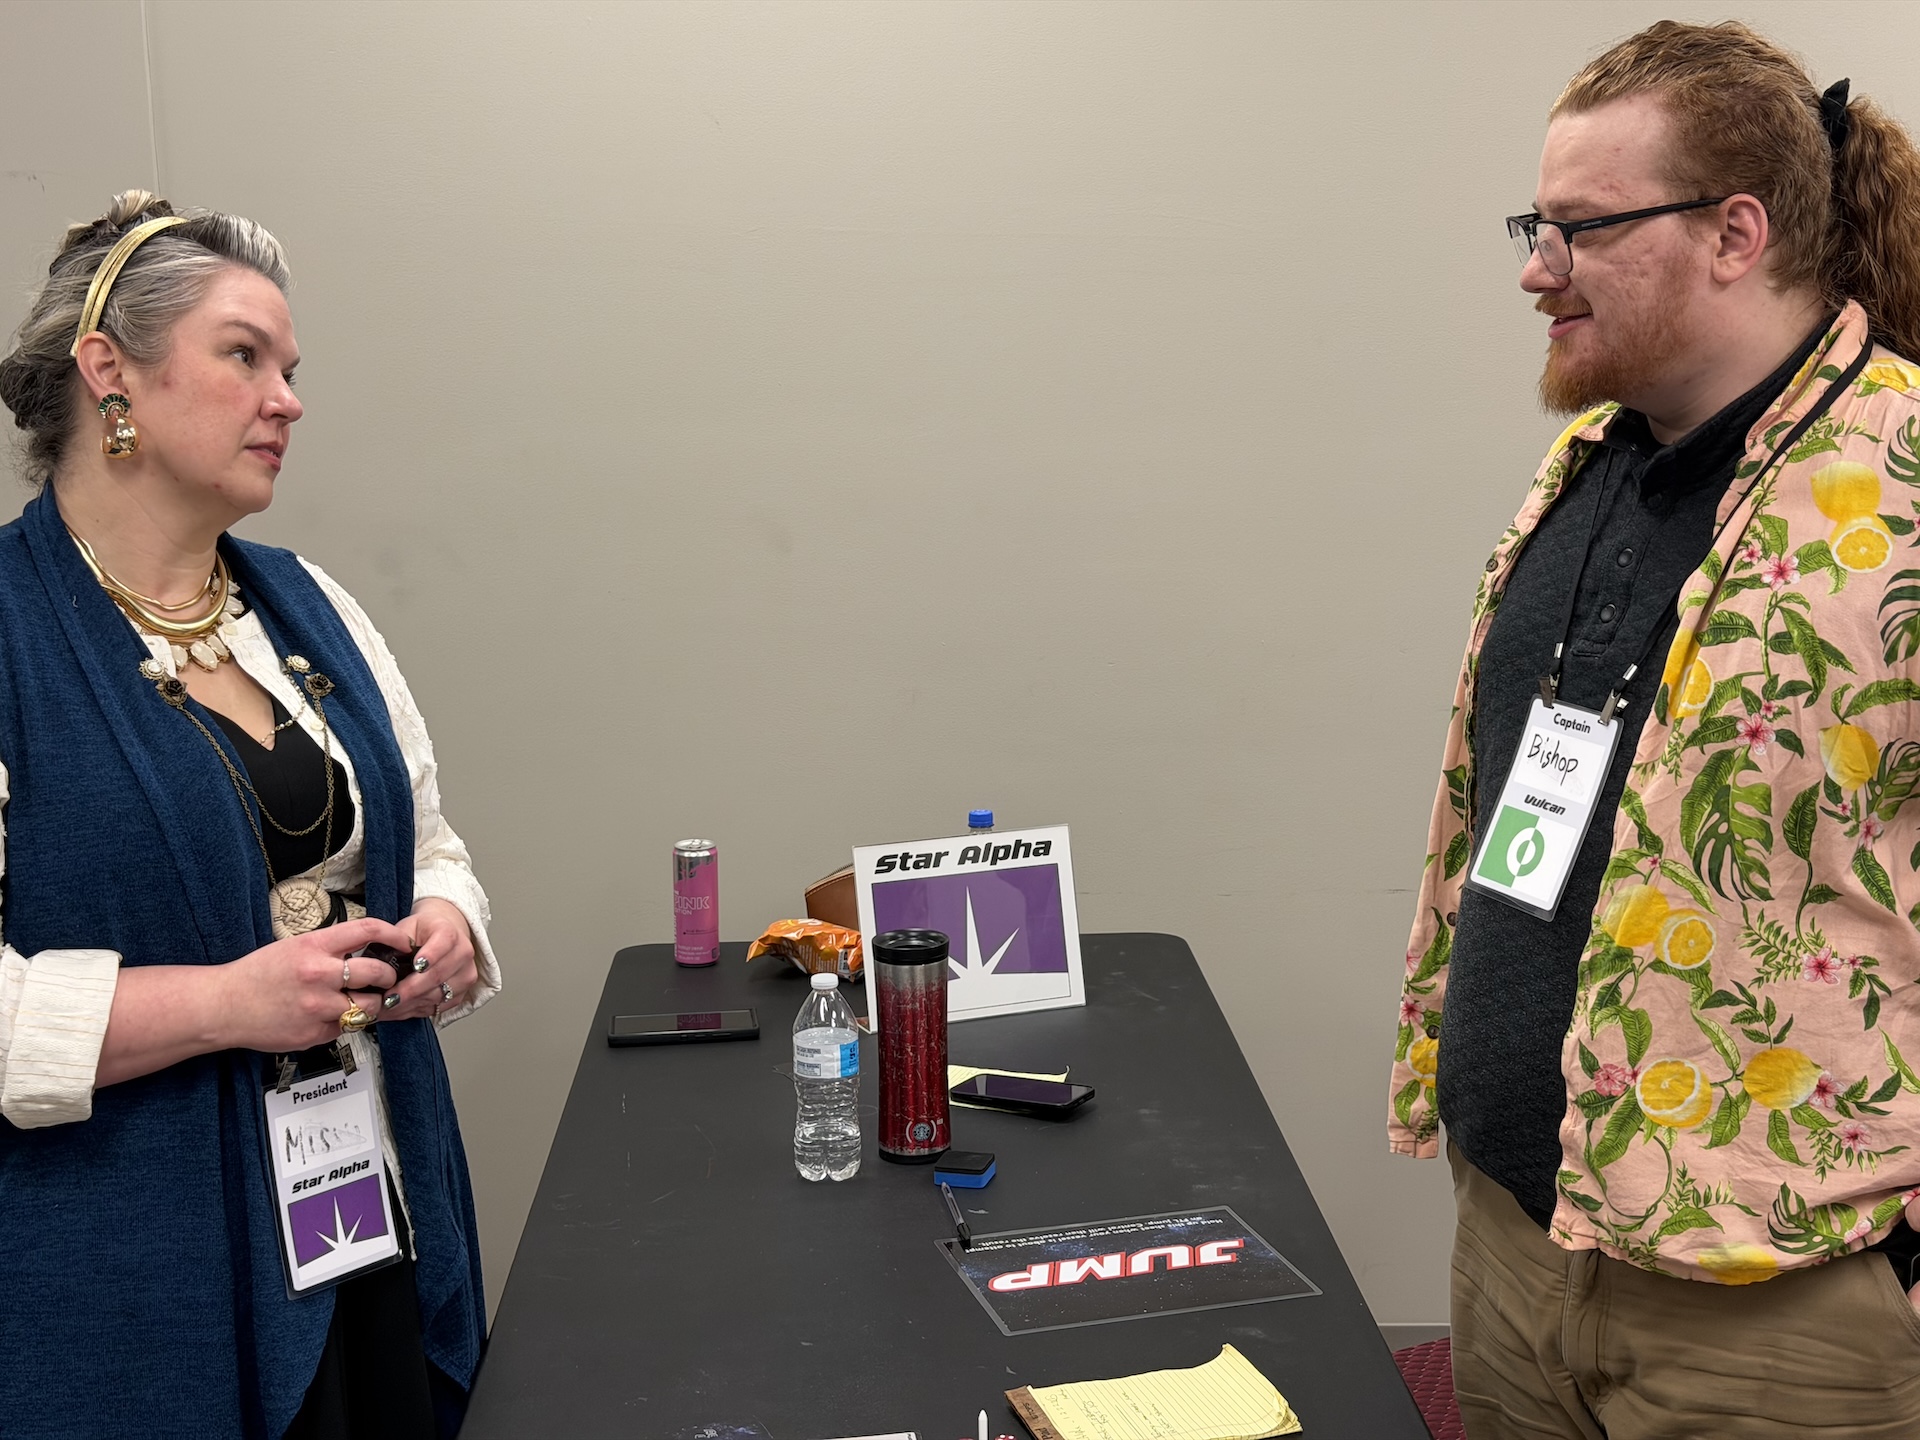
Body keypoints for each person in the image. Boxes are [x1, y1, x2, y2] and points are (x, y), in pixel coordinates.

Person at [1387, 21, 1920, 1439]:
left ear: (1735, 232)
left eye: (1579, 228)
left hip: (1776, 1316)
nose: (1533, 268)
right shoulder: (1587, 469)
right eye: (1535, 225)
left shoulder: (1908, 489)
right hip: (1517, 1240)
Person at [0, 191, 502, 1438]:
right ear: (109, 373)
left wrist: (445, 919)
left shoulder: (303, 604)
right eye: (245, 356)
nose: (288, 399)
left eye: (291, 367)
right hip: (131, 1276)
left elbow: (427, 843)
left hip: (362, 1215)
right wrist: (226, 1004)